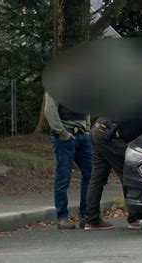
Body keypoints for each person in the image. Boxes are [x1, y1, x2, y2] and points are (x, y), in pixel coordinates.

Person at [45, 93, 92, 229]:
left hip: (82, 135)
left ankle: (86, 215)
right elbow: (50, 110)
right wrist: (62, 133)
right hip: (65, 136)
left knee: (91, 174)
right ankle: (62, 218)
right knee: (63, 176)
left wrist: (87, 128)